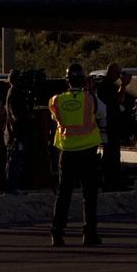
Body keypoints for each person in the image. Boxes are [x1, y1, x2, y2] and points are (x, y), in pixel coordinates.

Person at [47, 63, 105, 248]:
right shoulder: (90, 99)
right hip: (87, 152)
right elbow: (103, 113)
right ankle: (89, 234)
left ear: (66, 80)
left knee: (63, 195)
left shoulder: (56, 100)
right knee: (89, 196)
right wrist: (90, 92)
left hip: (67, 153)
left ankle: (57, 233)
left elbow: (55, 119)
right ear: (84, 80)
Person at [95, 62, 125, 190]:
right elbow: (117, 101)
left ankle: (113, 180)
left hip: (112, 124)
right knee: (111, 154)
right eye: (117, 73)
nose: (119, 76)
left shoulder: (108, 86)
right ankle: (111, 182)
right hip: (109, 125)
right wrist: (123, 85)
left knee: (113, 153)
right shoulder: (106, 86)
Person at [4, 69, 33, 194]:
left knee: (15, 160)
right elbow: (15, 115)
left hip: (15, 132)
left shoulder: (14, 92)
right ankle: (11, 187)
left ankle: (12, 186)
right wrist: (27, 116)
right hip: (16, 133)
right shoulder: (14, 93)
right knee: (14, 160)